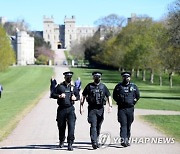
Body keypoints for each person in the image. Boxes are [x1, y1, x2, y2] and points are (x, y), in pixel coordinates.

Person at [80, 71, 112, 149]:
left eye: (98, 77)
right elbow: (83, 96)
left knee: (98, 125)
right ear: (93, 78)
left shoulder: (103, 87)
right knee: (93, 125)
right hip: (92, 109)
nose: (97, 78)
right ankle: (94, 142)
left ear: (100, 78)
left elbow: (109, 96)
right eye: (95, 77)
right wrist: (81, 106)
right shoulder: (89, 86)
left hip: (100, 109)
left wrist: (110, 106)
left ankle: (96, 140)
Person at [51, 71, 80, 151]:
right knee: (61, 126)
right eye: (67, 77)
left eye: (70, 77)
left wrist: (76, 98)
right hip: (61, 109)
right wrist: (59, 96)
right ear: (65, 78)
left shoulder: (73, 87)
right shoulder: (60, 86)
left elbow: (78, 96)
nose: (69, 79)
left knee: (71, 126)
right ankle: (61, 140)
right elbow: (52, 95)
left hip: (70, 109)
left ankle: (70, 143)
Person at [113, 71, 140, 147]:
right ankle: (123, 140)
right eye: (124, 77)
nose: (126, 78)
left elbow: (137, 96)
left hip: (130, 108)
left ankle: (127, 139)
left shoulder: (133, 87)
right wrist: (119, 101)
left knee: (128, 124)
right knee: (123, 124)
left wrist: (133, 102)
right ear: (122, 78)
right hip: (122, 109)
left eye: (127, 77)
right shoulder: (118, 86)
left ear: (130, 78)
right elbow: (114, 96)